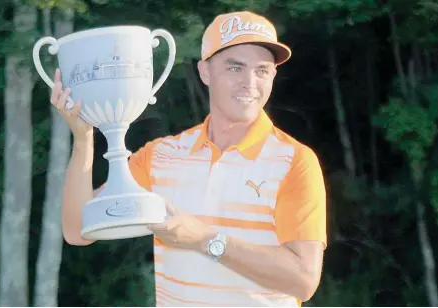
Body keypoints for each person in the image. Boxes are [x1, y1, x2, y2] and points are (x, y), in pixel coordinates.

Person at [52, 10, 327, 307]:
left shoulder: (295, 161)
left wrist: (205, 240)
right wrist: (82, 140)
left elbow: (303, 280)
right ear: (205, 72)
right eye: (235, 68)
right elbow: (77, 228)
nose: (250, 82)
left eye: (262, 70)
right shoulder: (161, 156)